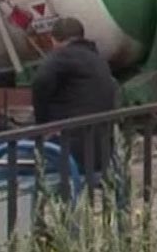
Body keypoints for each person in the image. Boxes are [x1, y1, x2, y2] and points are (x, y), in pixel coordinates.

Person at [27, 16, 120, 191]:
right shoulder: (98, 59)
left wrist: (42, 124)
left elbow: (39, 83)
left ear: (55, 40)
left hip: (72, 152)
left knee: (12, 151)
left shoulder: (62, 57)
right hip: (104, 150)